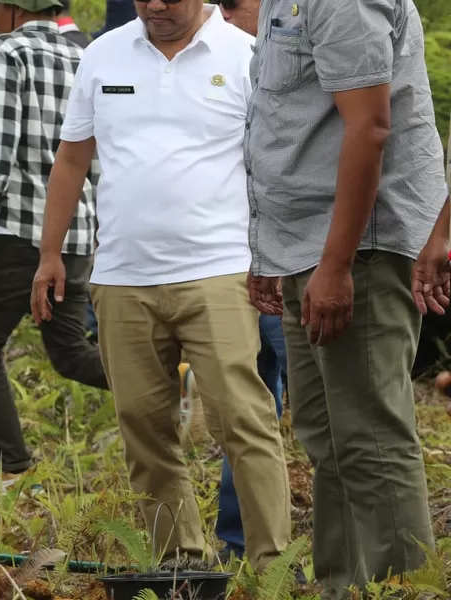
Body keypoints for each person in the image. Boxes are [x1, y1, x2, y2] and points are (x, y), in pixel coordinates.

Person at [31, 0, 292, 572]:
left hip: (221, 270)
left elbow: (275, 164)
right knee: (145, 428)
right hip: (123, 275)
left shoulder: (248, 53)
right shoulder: (103, 53)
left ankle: (274, 567)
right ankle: (180, 564)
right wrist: (51, 253)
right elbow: (72, 159)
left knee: (242, 419)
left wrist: (275, 254)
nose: (154, 5)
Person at [247, 0, 447, 593]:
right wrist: (269, 254)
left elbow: (370, 125)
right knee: (326, 434)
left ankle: (403, 589)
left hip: (357, 249)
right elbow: (287, 123)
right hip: (304, 248)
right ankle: (343, 586)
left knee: (370, 438)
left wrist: (336, 267)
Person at [0, 0, 108, 493]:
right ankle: (172, 373)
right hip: (77, 229)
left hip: (21, 227)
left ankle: (12, 465)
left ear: (12, 9)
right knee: (68, 351)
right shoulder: (84, 54)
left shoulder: (8, 49)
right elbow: (98, 146)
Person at [205, 0, 296, 573]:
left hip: (290, 264)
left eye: (235, 5)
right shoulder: (224, 63)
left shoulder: (294, 62)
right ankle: (240, 543)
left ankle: (357, 553)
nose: (226, 16)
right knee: (248, 408)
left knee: (318, 410)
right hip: (229, 268)